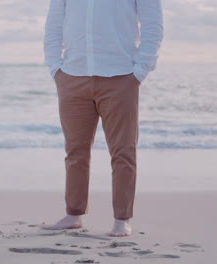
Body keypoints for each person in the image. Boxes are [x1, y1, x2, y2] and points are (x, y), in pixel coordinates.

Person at [43, 0, 163, 236]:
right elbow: (54, 26)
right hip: (73, 75)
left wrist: (139, 71)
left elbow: (153, 26)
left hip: (120, 76)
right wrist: (55, 68)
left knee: (123, 152)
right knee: (75, 151)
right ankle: (73, 214)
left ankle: (122, 219)